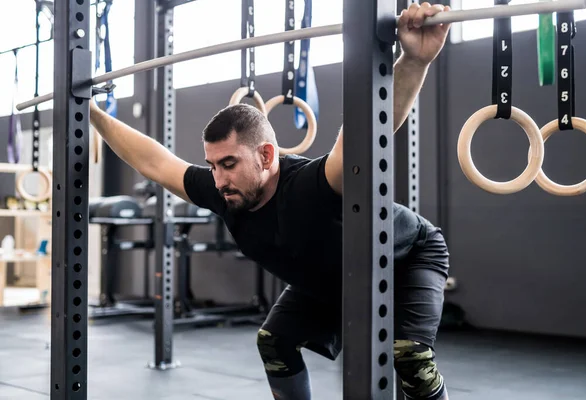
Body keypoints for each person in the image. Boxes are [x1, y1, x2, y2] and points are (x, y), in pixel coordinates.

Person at [90, 3, 452, 399]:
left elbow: (365, 132)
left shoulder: (312, 185)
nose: (219, 178)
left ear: (266, 156)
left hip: (408, 256)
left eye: (229, 163)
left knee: (410, 357)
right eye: (212, 165)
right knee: (275, 342)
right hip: (332, 276)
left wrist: (413, 60)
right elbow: (154, 162)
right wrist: (91, 111)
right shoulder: (223, 190)